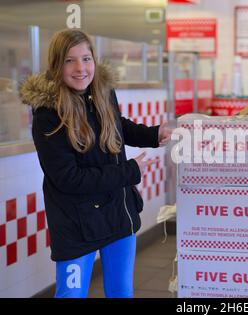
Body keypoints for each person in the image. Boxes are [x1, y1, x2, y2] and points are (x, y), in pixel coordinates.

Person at [20, 29, 172, 298]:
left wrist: (152, 134)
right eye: (70, 60)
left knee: (121, 293)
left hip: (117, 214)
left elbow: (116, 126)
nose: (81, 68)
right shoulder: (47, 113)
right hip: (76, 224)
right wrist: (129, 172)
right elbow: (69, 178)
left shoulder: (101, 91)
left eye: (86, 58)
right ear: (57, 65)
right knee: (71, 295)